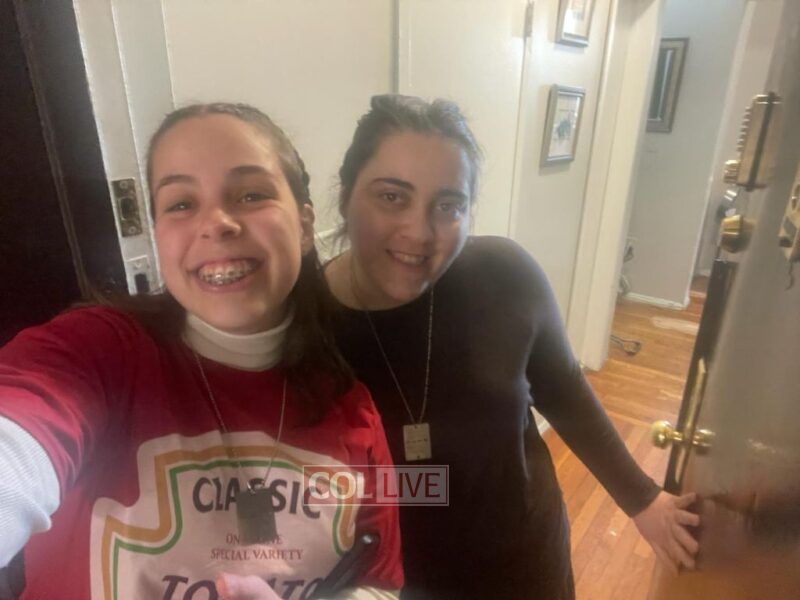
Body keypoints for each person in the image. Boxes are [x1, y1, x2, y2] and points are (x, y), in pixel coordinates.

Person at [0, 103, 402, 600]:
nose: (216, 223)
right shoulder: (97, 351)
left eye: (251, 194)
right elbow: (18, 433)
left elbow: (376, 581)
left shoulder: (353, 410)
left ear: (303, 226)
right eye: (181, 204)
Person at [324, 94, 700, 599]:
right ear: (346, 195)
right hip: (381, 583)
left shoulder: (504, 277)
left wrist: (643, 499)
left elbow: (563, 390)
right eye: (392, 197)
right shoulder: (303, 322)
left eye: (448, 205)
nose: (419, 232)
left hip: (522, 561)